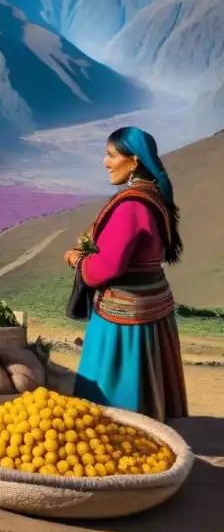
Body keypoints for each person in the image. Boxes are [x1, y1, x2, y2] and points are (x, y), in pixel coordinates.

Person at [63, 126, 188, 422]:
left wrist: (76, 259)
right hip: (154, 307)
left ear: (133, 160)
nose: (105, 163)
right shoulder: (156, 196)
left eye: (111, 155)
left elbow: (103, 270)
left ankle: (121, 437)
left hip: (124, 322)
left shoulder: (131, 206)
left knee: (112, 399)